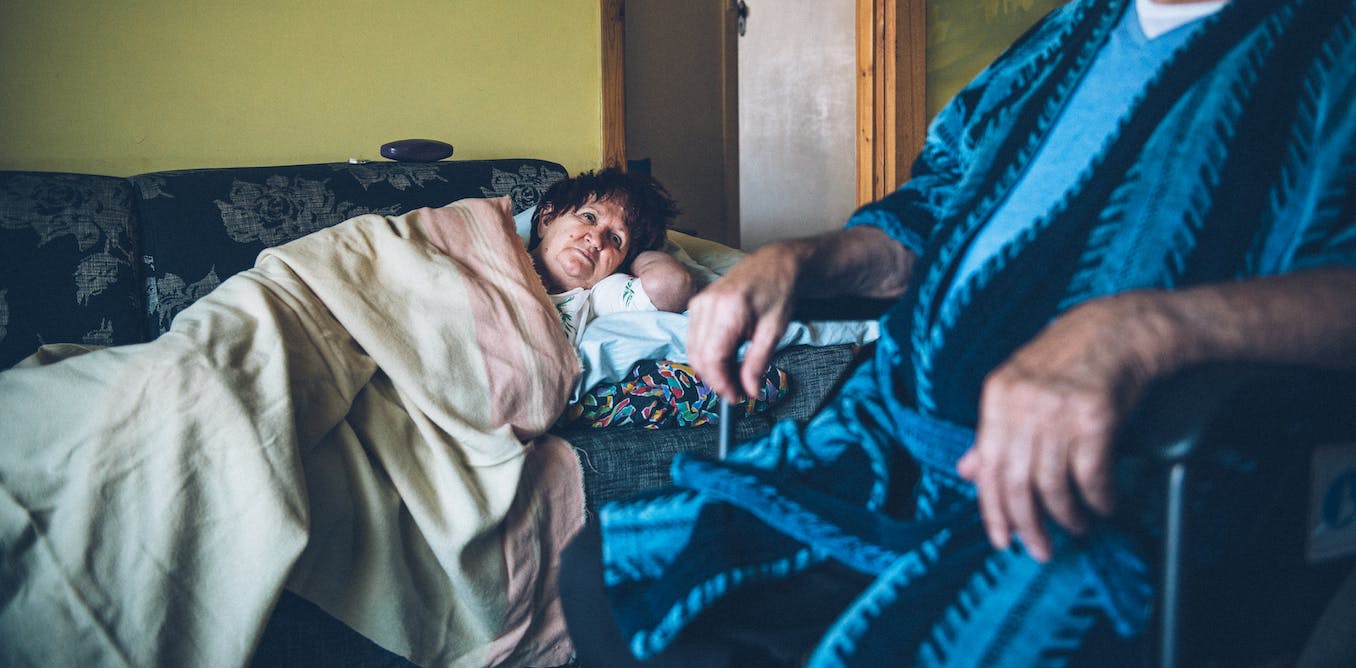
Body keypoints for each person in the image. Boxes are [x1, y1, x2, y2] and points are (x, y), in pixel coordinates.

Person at [559, 0, 1356, 664]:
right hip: (887, 449)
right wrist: (799, 260)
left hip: (1090, 501)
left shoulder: (1328, 38)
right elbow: (929, 211)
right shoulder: (1071, 30)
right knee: (609, 574)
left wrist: (1143, 330)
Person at [526, 168, 692, 342]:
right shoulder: (499, 248)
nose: (597, 240)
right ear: (547, 219)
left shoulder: (600, 296)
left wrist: (636, 255)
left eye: (615, 239)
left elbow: (671, 283)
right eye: (589, 217)